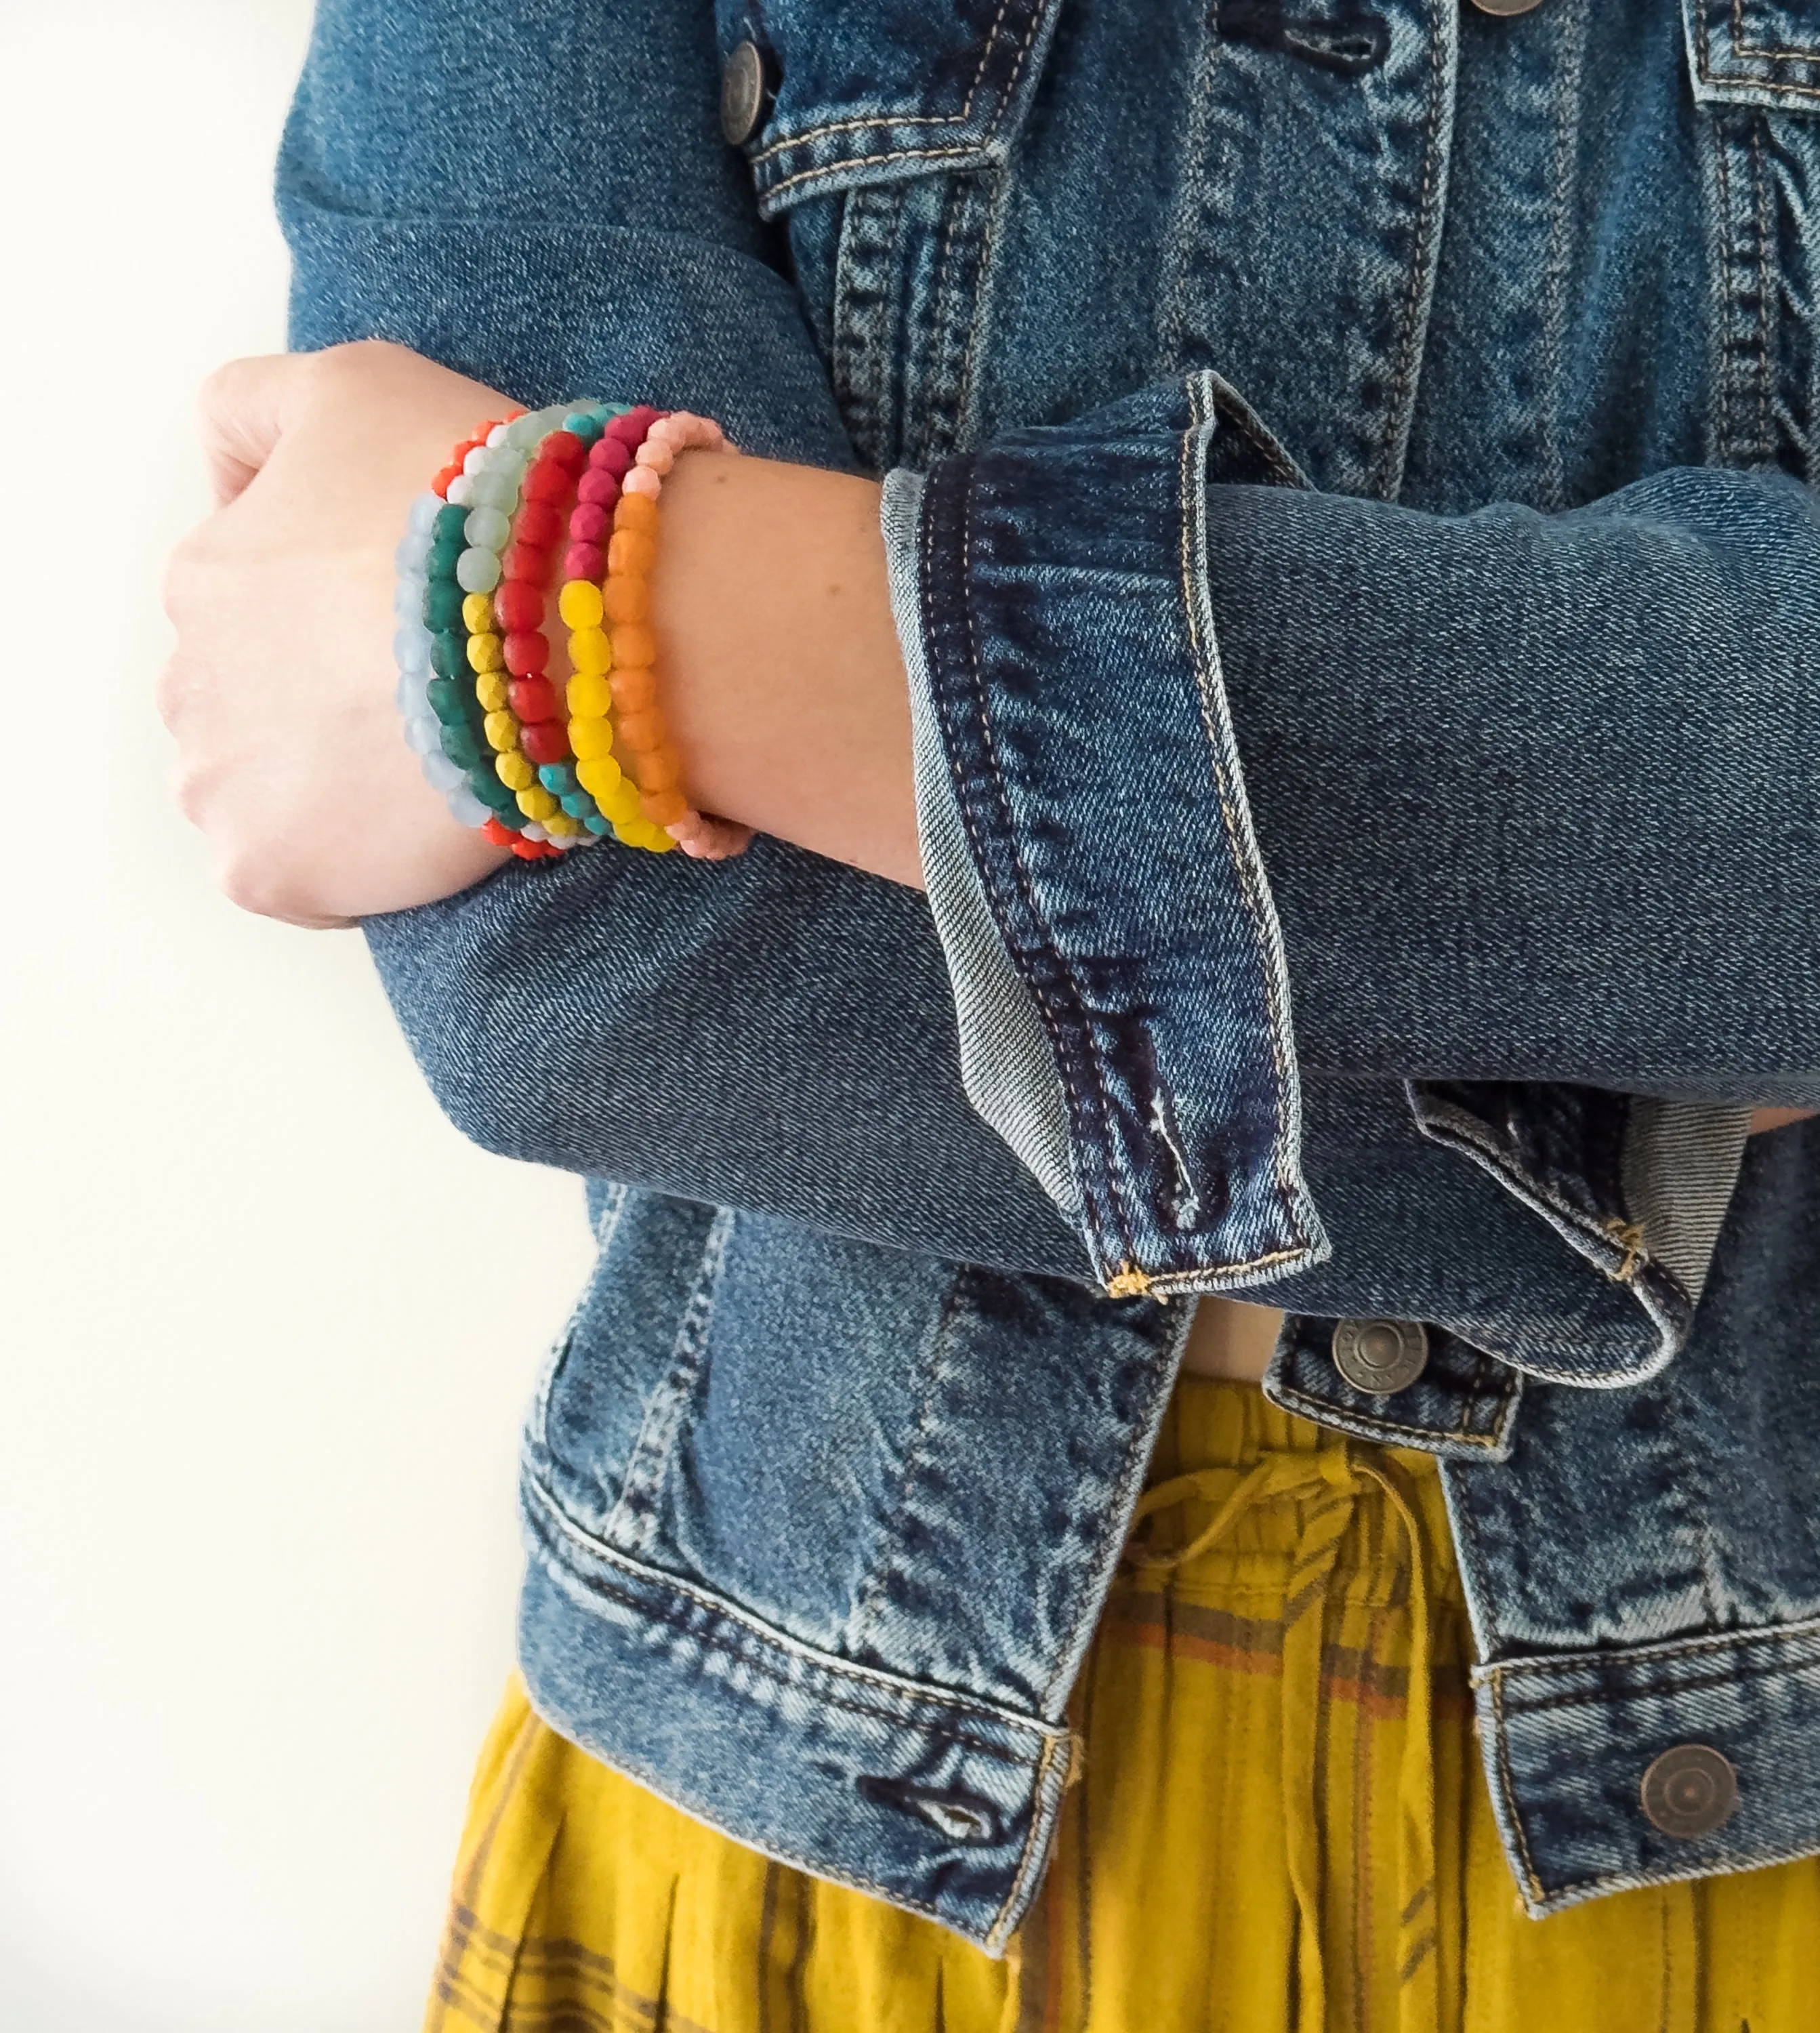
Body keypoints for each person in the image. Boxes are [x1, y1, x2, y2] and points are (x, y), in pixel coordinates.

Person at [159, 0, 1820, 2025]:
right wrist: (1626, 1072)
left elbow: (484, 756)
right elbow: (566, 977)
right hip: (814, 1799)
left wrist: (671, 612)